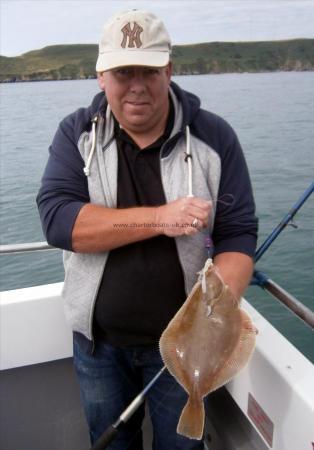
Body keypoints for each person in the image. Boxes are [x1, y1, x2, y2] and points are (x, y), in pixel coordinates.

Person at [37, 9, 258, 450]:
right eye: (123, 72)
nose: (137, 85)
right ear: (101, 75)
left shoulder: (215, 138)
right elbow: (60, 221)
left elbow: (237, 233)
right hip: (99, 345)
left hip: (185, 351)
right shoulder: (76, 134)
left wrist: (216, 312)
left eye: (150, 71)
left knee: (182, 446)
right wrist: (160, 217)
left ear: (169, 71)